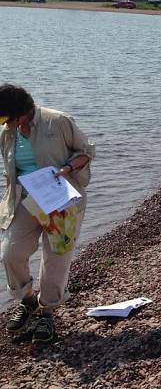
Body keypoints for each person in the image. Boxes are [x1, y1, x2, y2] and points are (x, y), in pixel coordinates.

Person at [0, 84, 95, 343]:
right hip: (24, 202)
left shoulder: (58, 121)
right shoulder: (7, 132)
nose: (3, 124)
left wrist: (66, 168)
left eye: (4, 117)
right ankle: (28, 300)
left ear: (21, 112)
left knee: (56, 259)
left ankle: (47, 313)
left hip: (61, 201)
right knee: (11, 253)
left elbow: (86, 151)